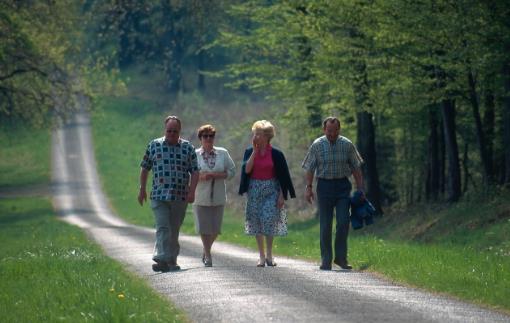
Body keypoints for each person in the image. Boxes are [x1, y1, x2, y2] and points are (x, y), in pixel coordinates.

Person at [138, 115, 199, 272]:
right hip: (159, 195)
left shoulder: (187, 148)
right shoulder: (154, 145)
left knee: (174, 229)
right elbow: (145, 167)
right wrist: (142, 188)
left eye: (175, 131)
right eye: (169, 131)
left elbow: (195, 171)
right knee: (163, 227)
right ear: (165, 130)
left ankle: (171, 260)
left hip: (179, 196)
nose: (171, 134)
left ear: (180, 131)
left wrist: (192, 191)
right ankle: (162, 258)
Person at [302, 116, 364, 270]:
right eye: (329, 131)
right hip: (324, 186)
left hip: (343, 186)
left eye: (335, 131)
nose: (332, 134)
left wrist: (360, 188)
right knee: (325, 225)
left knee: (343, 222)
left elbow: (356, 167)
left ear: (339, 130)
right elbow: (310, 168)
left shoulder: (347, 145)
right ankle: (326, 259)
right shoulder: (317, 145)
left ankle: (341, 258)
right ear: (324, 130)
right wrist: (308, 187)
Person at [239, 120, 296, 267]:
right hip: (254, 190)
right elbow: (247, 170)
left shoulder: (276, 154)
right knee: (257, 221)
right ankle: (261, 256)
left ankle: (270, 255)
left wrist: (282, 195)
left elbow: (284, 176)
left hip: (272, 189)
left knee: (269, 219)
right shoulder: (249, 152)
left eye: (259, 134)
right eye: (255, 134)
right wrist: (254, 152)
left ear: (267, 137)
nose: (256, 137)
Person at [193, 124, 236, 267]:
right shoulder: (194, 154)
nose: (208, 139)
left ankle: (206, 250)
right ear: (200, 138)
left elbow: (232, 171)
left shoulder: (223, 153)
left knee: (216, 228)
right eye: (205, 136)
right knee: (204, 227)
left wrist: (217, 175)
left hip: (218, 196)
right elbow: (188, 174)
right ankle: (208, 255)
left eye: (211, 136)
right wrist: (200, 177)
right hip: (200, 196)